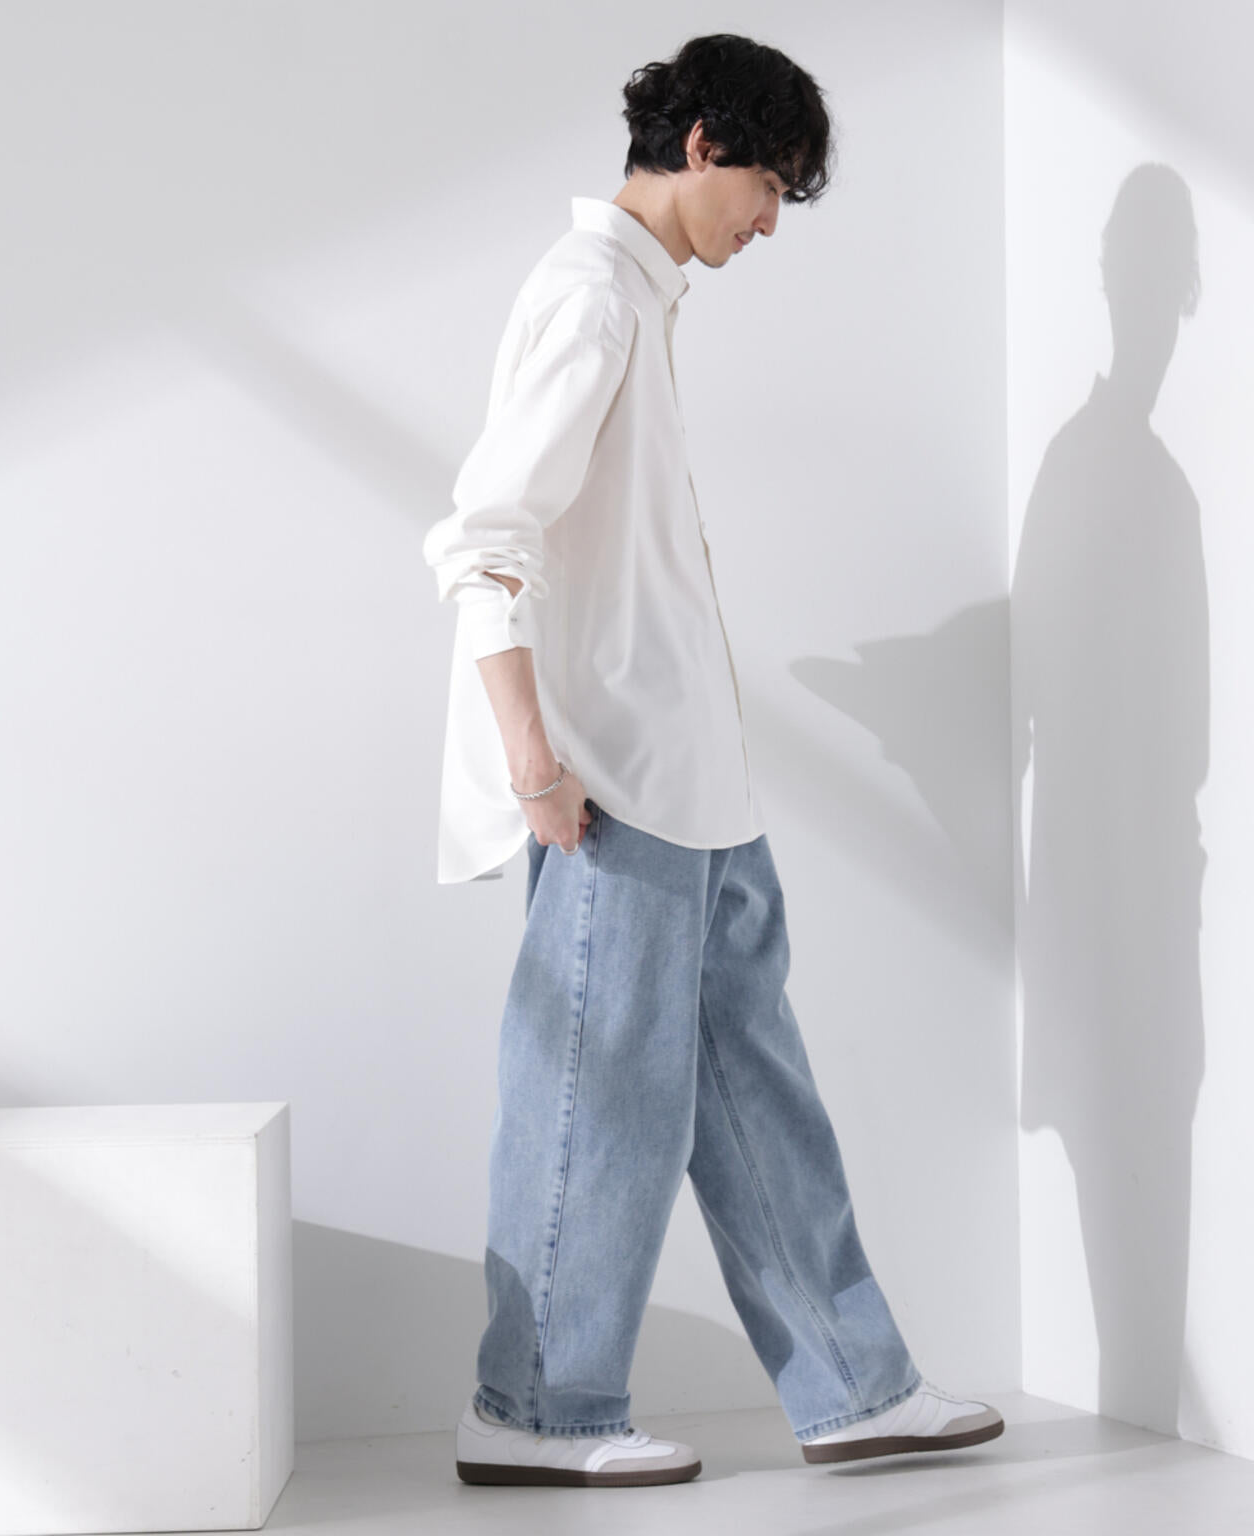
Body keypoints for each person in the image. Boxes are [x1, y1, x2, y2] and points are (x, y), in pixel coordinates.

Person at [423, 31, 1005, 1489]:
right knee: (595, 1090)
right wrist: (536, 766)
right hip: (612, 788)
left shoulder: (636, 297)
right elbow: (482, 540)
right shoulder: (590, 298)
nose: (772, 221)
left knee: (755, 1091)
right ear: (700, 145)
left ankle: (853, 1387)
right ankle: (533, 1409)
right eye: (769, 185)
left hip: (693, 790)